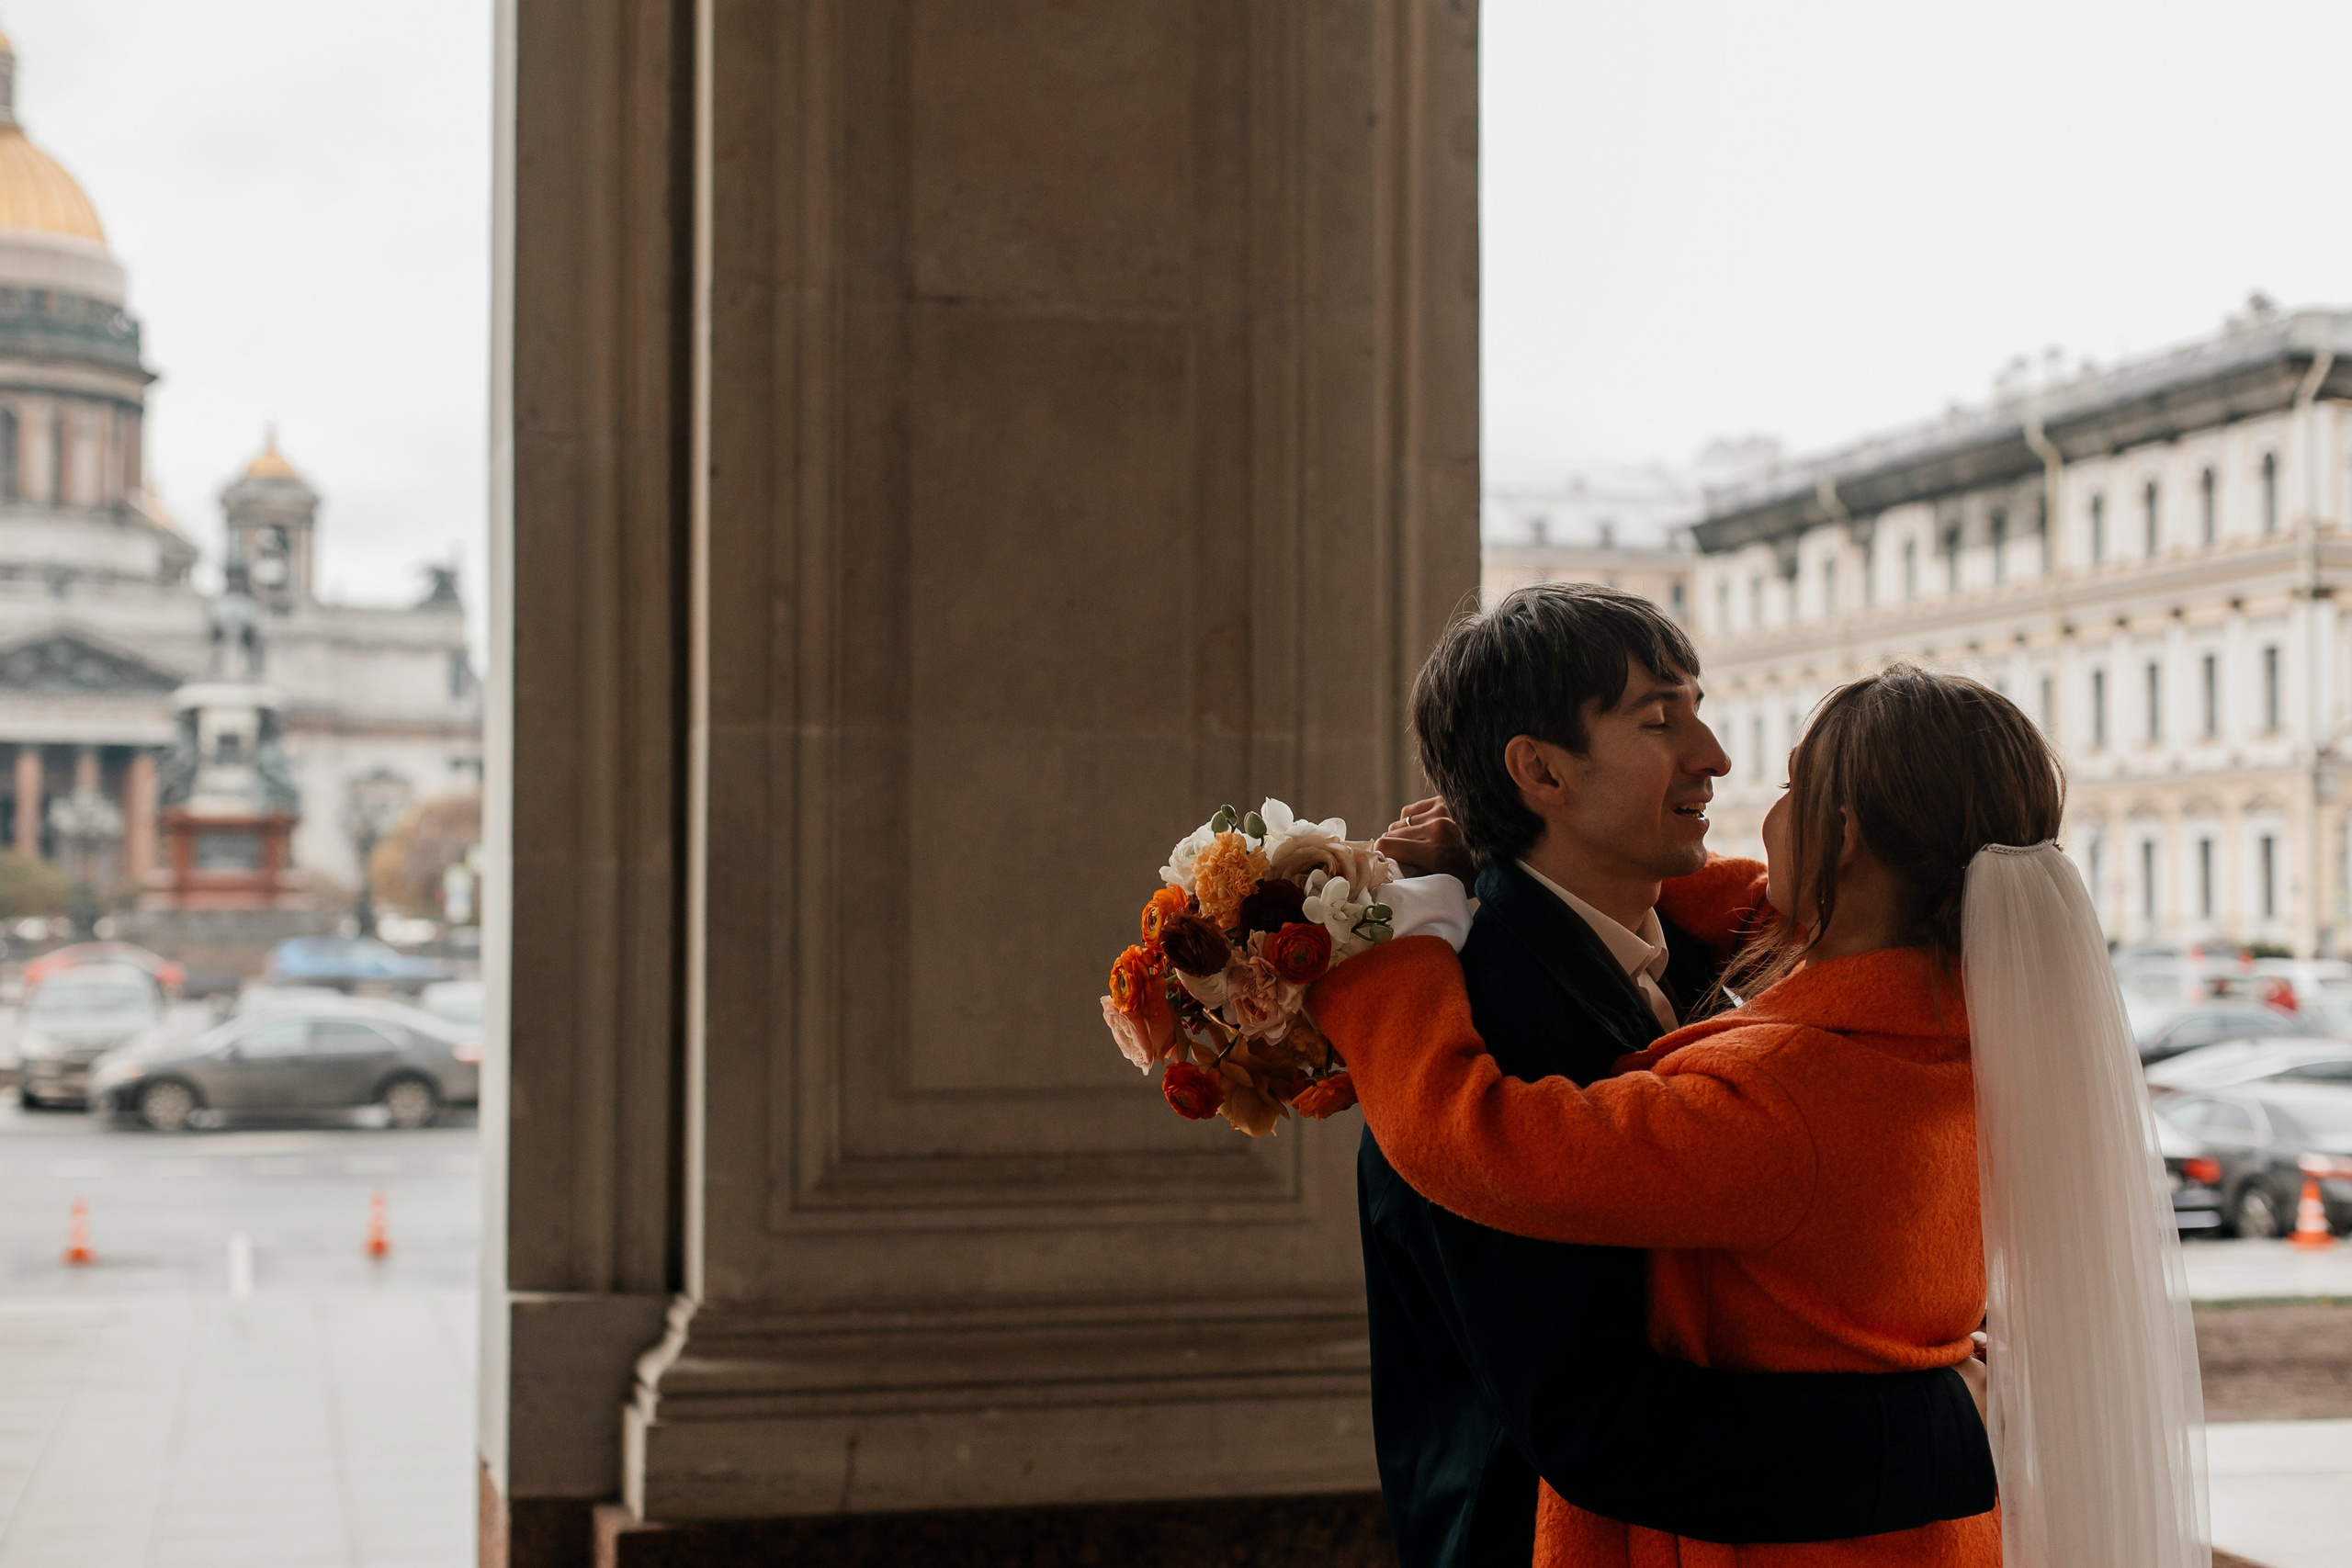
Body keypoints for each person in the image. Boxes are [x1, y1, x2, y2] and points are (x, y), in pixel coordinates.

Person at [1321, 660, 2207, 1567]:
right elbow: (1773, 908)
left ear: (1847, 838)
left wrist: (1395, 944)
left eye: (1793, 786)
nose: (1747, 793)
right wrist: (1575, 847)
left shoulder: (1780, 1101)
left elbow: (1477, 1135)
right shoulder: (1976, 1022)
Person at [1342, 585, 1995, 1568]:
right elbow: (1598, 1422)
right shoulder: (1462, 1026)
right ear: (1541, 772)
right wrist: (1952, 1420)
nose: (1716, 758)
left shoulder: (1716, 960)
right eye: (1662, 718)